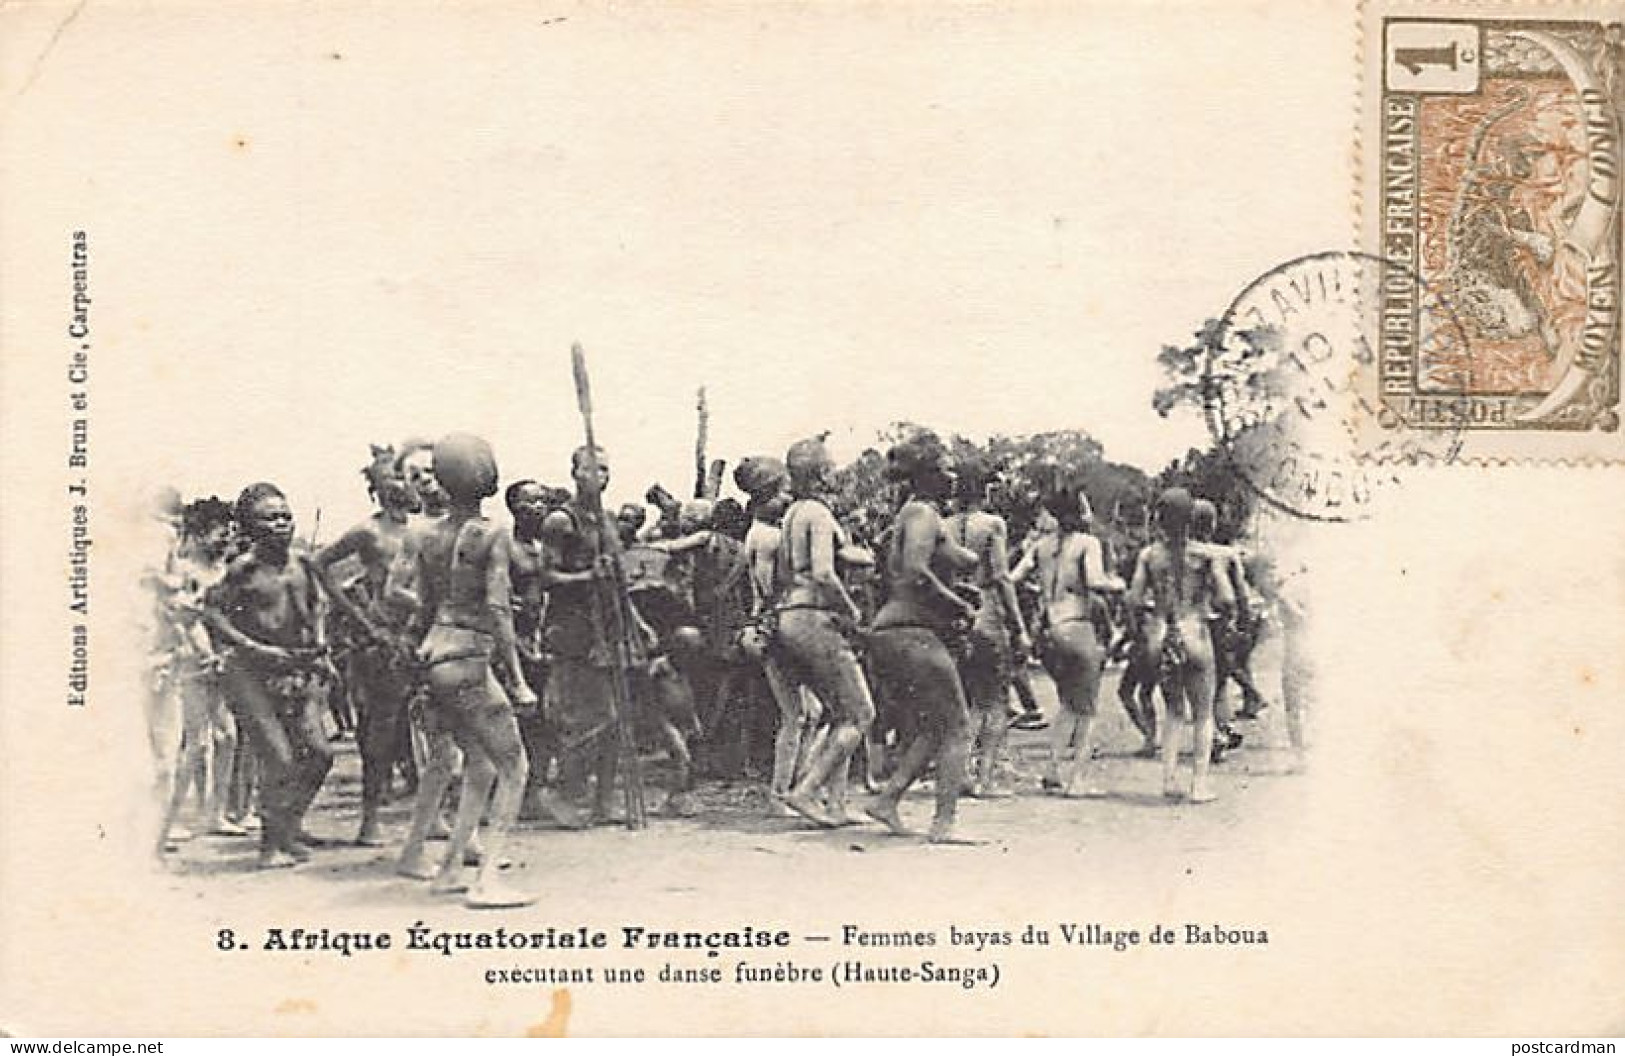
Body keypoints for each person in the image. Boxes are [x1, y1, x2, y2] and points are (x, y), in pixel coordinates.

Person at [389, 433, 537, 907]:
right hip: (470, 656)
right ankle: (487, 879)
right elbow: (498, 608)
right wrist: (517, 678)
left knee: (477, 763)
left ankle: (451, 869)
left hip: (435, 655)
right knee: (515, 768)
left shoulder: (421, 533)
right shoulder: (492, 533)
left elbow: (407, 597)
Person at [203, 484, 336, 868]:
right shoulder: (241, 570)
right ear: (249, 526)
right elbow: (213, 615)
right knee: (279, 758)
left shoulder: (304, 564)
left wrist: (321, 647)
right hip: (250, 673)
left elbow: (316, 606)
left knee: (320, 755)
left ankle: (287, 826)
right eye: (270, 518)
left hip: (297, 665)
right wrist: (255, 648)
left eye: (286, 516)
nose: (282, 525)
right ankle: (269, 846)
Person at [862, 432, 982, 842]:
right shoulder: (922, 516)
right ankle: (943, 823)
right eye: (947, 469)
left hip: (895, 631)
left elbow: (917, 568)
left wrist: (957, 583)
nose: (953, 477)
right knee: (958, 729)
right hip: (911, 632)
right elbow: (915, 570)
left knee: (934, 728)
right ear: (929, 474)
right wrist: (958, 606)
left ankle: (887, 799)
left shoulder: (912, 515)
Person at [311, 446, 422, 846]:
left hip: (421, 634)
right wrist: (357, 617)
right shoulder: (368, 532)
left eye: (407, 476)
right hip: (382, 639)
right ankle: (370, 820)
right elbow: (318, 564)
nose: (403, 484)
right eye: (392, 477)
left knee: (431, 729)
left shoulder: (423, 527)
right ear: (376, 488)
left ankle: (434, 815)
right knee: (381, 731)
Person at [538, 444, 650, 825]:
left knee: (619, 719)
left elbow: (618, 582)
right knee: (592, 715)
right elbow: (547, 576)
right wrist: (587, 576)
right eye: (593, 470)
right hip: (575, 628)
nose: (601, 477)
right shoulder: (560, 521)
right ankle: (565, 793)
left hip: (612, 626)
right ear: (575, 473)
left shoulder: (607, 521)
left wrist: (639, 623)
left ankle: (603, 801)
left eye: (606, 470)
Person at [773, 436, 878, 828]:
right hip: (813, 615)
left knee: (839, 714)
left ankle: (835, 804)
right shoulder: (817, 512)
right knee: (861, 712)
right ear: (819, 473)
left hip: (789, 615)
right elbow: (822, 572)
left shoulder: (793, 513)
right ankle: (805, 791)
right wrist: (850, 611)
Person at [1013, 481, 1124, 797]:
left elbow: (1014, 578)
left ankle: (1052, 771)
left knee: (1068, 705)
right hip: (1077, 629)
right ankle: (1076, 780)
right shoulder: (1088, 543)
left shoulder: (1041, 546)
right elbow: (1096, 581)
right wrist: (1119, 584)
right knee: (1087, 710)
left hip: (1049, 633)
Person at [1126, 488, 1234, 803]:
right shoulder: (1206, 555)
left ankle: (1169, 779)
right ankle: (1199, 784)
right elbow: (1226, 598)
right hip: (1195, 631)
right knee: (1203, 714)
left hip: (1161, 635)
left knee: (1173, 712)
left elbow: (1133, 599)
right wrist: (1214, 612)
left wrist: (1145, 622)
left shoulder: (1148, 556)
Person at [944, 456, 1032, 798]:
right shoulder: (993, 524)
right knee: (993, 701)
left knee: (965, 700)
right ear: (985, 490)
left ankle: (962, 773)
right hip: (987, 614)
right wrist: (1019, 626)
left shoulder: (945, 524)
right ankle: (984, 778)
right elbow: (1000, 576)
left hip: (954, 614)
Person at [505, 480, 586, 828]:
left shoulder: (548, 544)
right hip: (514, 640)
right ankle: (516, 792)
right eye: (528, 501)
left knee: (550, 719)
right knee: (521, 720)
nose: (536, 507)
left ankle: (535, 788)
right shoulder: (505, 545)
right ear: (513, 508)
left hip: (548, 637)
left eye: (541, 500)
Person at [1191, 499, 1254, 762]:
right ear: (1213, 524)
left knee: (1197, 685)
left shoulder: (1182, 552)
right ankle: (1218, 732)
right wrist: (1244, 624)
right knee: (1218, 683)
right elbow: (1241, 595)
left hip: (1188, 620)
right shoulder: (1226, 554)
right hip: (1218, 622)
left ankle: (1216, 731)